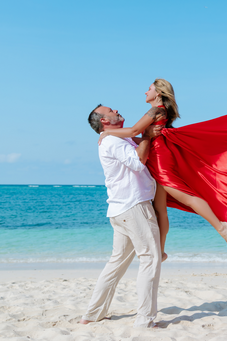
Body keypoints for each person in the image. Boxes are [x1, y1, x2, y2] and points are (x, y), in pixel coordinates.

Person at [98, 79, 227, 255]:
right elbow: (141, 137)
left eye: (149, 89)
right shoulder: (160, 111)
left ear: (158, 93)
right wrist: (131, 137)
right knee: (159, 209)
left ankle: (220, 226)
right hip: (157, 155)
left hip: (161, 158)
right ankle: (160, 251)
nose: (145, 92)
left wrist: (107, 132)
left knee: (185, 196)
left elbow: (133, 131)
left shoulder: (156, 110)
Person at [79, 105, 162, 329]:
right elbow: (137, 162)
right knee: (150, 260)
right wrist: (145, 135)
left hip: (120, 210)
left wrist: (145, 135)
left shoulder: (115, 138)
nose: (116, 109)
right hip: (133, 207)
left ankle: (92, 314)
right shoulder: (113, 141)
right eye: (110, 110)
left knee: (116, 264)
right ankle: (145, 319)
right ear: (104, 121)